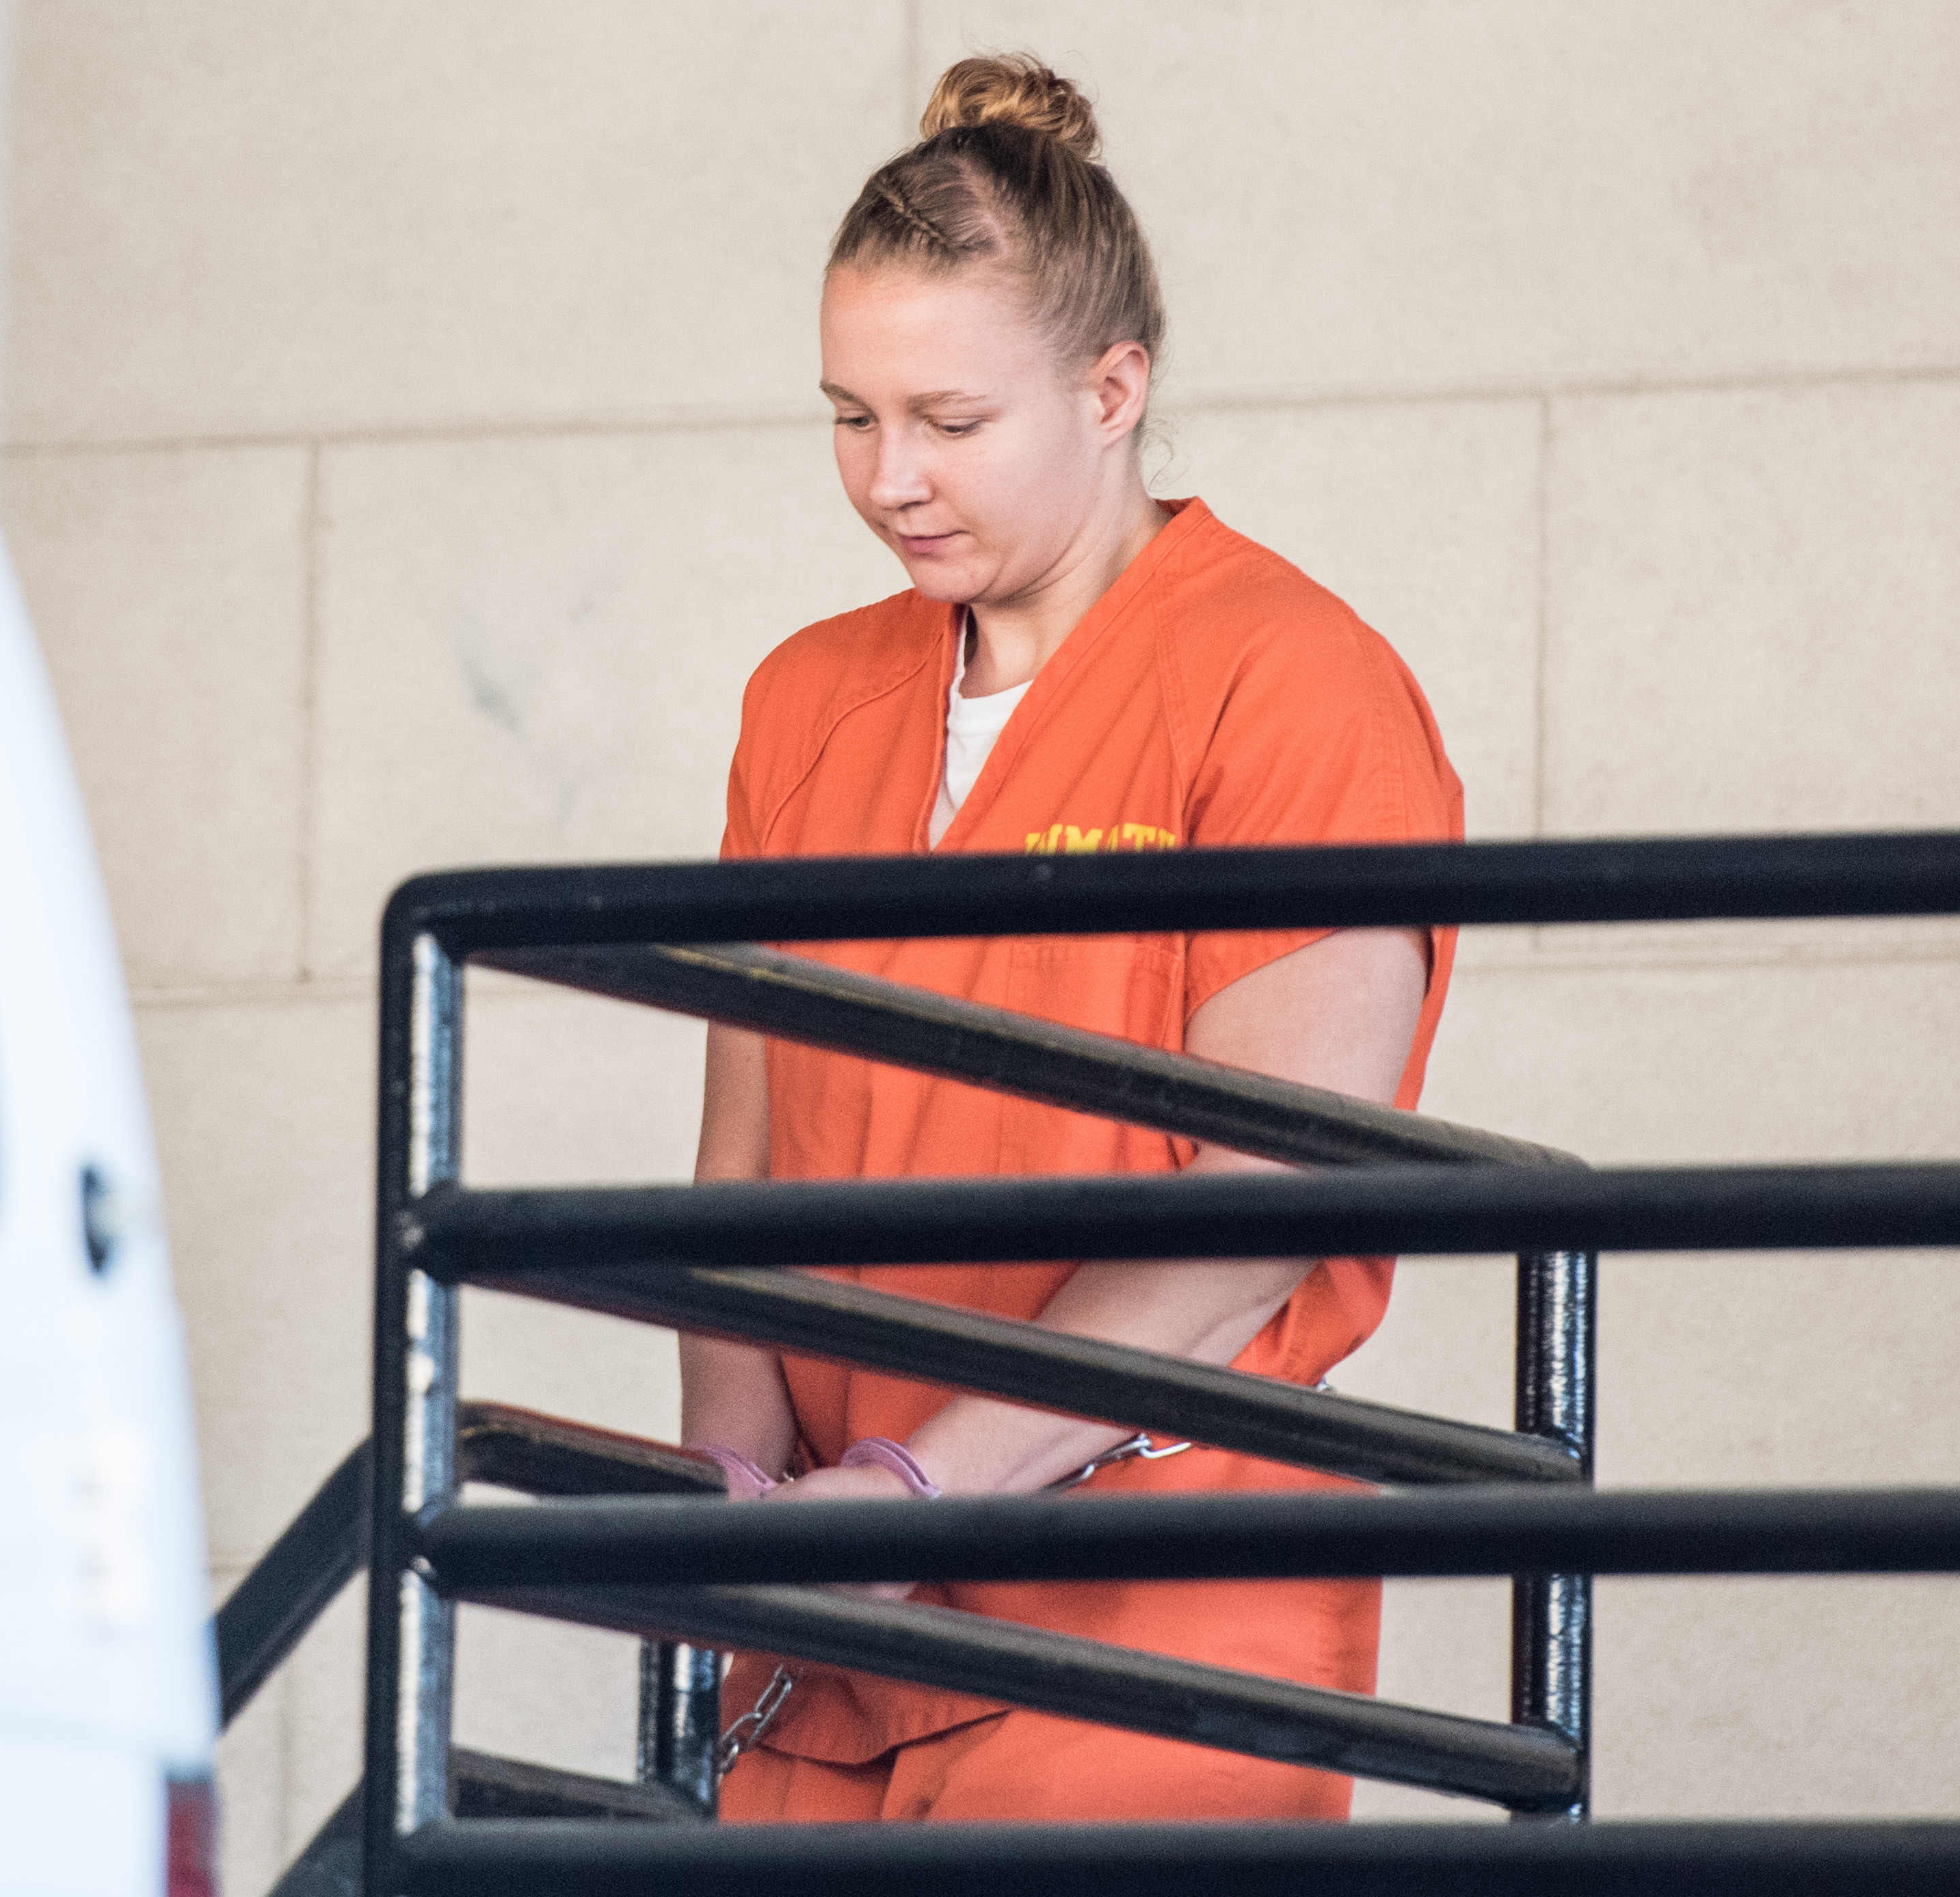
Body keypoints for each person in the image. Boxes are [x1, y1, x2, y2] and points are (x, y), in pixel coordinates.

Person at [682, 52, 1466, 1825]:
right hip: (827, 1620)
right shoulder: (803, 699)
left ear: (1113, 390)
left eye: (951, 422)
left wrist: (917, 1484)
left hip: (1144, 1613)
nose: (890, 477)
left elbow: (1270, 1205)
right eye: (849, 414)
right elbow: (736, 1158)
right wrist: (723, 1492)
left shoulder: (1289, 682)